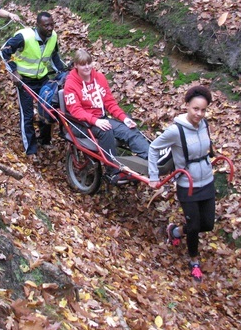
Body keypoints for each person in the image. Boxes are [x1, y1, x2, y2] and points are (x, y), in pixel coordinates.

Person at [148, 85, 217, 283]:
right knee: (194, 225)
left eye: (203, 110)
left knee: (208, 224)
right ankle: (194, 261)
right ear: (187, 105)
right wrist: (154, 176)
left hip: (207, 180)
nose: (199, 114)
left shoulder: (204, 124)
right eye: (196, 109)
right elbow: (154, 148)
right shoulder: (175, 131)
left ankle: (175, 231)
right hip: (188, 184)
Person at [63, 49, 149, 181]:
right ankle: (113, 171)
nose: (87, 67)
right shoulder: (71, 84)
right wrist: (95, 121)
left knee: (128, 129)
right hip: (80, 124)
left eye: (89, 63)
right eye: (82, 64)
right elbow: (75, 110)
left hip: (100, 119)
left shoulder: (100, 78)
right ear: (76, 65)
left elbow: (109, 103)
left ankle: (150, 158)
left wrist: (124, 118)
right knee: (106, 130)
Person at [1, 12, 67, 158]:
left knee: (47, 110)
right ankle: (30, 149)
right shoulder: (24, 37)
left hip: (42, 78)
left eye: (52, 25)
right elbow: (3, 51)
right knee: (28, 114)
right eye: (46, 26)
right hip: (24, 80)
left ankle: (45, 140)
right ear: (37, 25)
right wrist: (14, 72)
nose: (50, 28)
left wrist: (63, 72)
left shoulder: (53, 36)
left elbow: (54, 56)